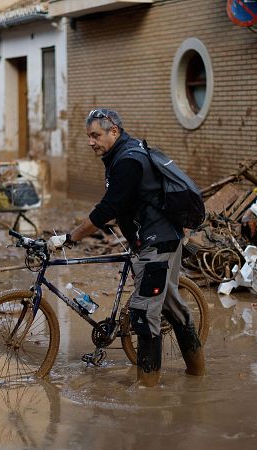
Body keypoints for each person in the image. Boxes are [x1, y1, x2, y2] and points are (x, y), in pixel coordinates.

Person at [48, 108, 205, 387]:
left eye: (95, 135)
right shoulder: (123, 155)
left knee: (144, 314)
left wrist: (71, 237)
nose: (91, 142)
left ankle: (147, 391)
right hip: (157, 241)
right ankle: (196, 374)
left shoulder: (128, 161)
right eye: (88, 136)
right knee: (172, 306)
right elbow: (123, 202)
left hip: (156, 245)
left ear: (114, 131)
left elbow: (108, 207)